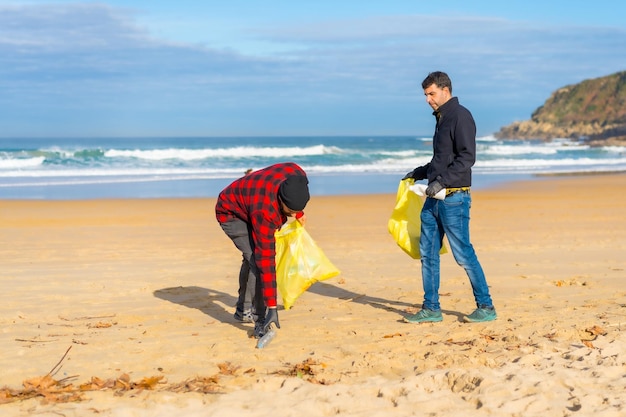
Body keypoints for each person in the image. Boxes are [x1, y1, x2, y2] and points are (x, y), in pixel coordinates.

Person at [402, 71, 496, 323]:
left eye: (431, 94)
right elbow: (442, 159)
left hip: (454, 199)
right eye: (425, 95)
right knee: (428, 254)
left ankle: (486, 307)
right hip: (433, 199)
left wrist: (442, 181)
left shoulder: (460, 116)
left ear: (445, 90)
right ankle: (431, 308)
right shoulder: (441, 118)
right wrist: (421, 172)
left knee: (463, 254)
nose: (428, 100)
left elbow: (467, 158)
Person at [215, 162, 310, 338]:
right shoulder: (266, 212)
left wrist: (298, 212)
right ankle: (258, 320)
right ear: (280, 200)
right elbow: (266, 262)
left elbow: (294, 200)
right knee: (256, 261)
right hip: (231, 211)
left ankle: (243, 309)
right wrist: (272, 308)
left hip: (251, 198)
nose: (292, 215)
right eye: (290, 211)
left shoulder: (297, 174)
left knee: (251, 258)